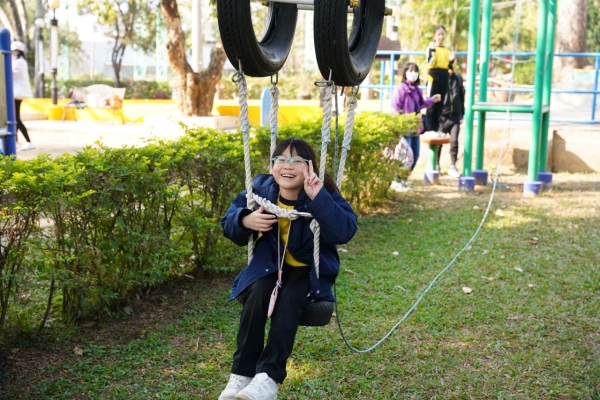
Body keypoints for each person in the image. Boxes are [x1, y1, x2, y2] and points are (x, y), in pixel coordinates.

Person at [219, 137, 357, 400]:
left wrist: (318, 198)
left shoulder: (322, 192)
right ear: (272, 166)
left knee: (291, 298)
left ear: (311, 167)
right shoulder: (260, 189)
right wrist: (246, 220)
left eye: (297, 160)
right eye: (281, 159)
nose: (288, 165)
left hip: (309, 270)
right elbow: (229, 222)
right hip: (270, 265)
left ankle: (268, 378)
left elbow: (345, 230)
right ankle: (241, 374)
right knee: (257, 293)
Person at [390, 63, 441, 176]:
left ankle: (404, 177)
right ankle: (399, 178)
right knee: (405, 155)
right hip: (404, 128)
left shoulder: (417, 89)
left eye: (415, 71)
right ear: (405, 73)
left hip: (415, 128)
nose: (413, 74)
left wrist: (432, 100)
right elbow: (395, 109)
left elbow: (420, 105)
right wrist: (398, 125)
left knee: (415, 154)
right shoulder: (400, 88)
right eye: (410, 71)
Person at [424, 25, 455, 139]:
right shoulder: (431, 48)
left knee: (440, 103)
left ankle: (436, 128)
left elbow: (451, 68)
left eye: (443, 34)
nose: (441, 36)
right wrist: (432, 51)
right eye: (439, 34)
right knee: (432, 102)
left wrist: (452, 61)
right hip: (434, 76)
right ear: (434, 36)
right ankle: (429, 128)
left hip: (444, 76)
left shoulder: (448, 50)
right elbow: (430, 63)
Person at [436, 67, 465, 178]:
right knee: (438, 143)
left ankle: (453, 166)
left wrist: (462, 113)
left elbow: (461, 96)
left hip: (455, 116)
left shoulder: (458, 78)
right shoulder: (439, 79)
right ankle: (436, 165)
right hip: (442, 116)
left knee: (454, 141)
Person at [11, 41, 35, 151]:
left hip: (17, 93)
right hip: (17, 93)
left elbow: (12, 75)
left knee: (16, 118)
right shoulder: (20, 61)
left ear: (18, 51)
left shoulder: (18, 62)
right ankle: (15, 141)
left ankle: (28, 141)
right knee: (15, 118)